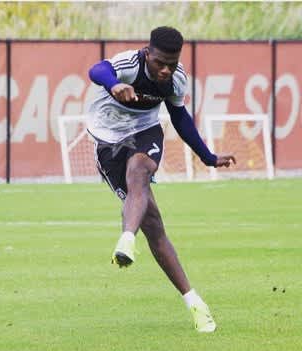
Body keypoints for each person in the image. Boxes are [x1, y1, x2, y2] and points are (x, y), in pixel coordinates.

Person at [86, 26, 236, 333]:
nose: (166, 70)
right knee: (153, 225)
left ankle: (127, 239)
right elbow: (96, 69)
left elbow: (180, 117)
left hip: (145, 131)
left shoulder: (176, 78)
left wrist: (208, 157)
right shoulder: (130, 64)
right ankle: (195, 302)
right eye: (159, 63)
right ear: (147, 53)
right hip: (107, 139)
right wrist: (114, 84)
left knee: (140, 171)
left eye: (172, 63)